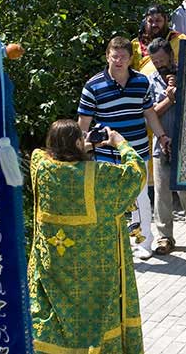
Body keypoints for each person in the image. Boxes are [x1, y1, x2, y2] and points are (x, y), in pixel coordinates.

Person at [29, 119, 145, 354]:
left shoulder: (40, 168)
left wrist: (80, 145)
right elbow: (137, 172)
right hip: (93, 274)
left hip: (54, 268)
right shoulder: (99, 175)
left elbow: (40, 153)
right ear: (77, 143)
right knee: (96, 318)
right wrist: (120, 143)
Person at [78, 36, 171, 260]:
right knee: (107, 201)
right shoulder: (93, 86)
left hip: (137, 152)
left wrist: (162, 136)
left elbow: (149, 113)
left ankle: (142, 243)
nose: (118, 61)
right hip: (107, 154)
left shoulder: (142, 82)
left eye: (123, 57)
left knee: (140, 200)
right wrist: (82, 149)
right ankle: (109, 245)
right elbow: (83, 124)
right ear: (107, 57)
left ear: (131, 59)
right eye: (114, 56)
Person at [146, 38, 186, 255]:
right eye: (155, 61)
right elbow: (149, 114)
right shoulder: (150, 81)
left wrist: (180, 90)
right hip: (162, 144)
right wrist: (169, 99)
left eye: (162, 59)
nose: (160, 65)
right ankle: (165, 237)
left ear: (172, 55)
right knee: (162, 194)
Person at [131, 5, 186, 75]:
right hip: (142, 84)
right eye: (150, 21)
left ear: (165, 21)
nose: (154, 25)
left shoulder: (181, 40)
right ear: (145, 22)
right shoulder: (136, 44)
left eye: (158, 20)